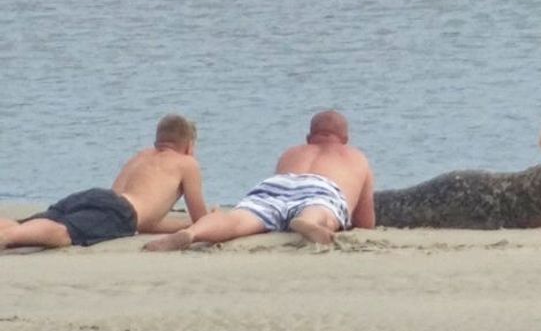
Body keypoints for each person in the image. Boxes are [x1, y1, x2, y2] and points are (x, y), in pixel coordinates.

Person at [144, 110, 375, 251]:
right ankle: (309, 222)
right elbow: (365, 221)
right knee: (318, 208)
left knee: (238, 219)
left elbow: (285, 196)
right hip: (321, 188)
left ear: (308, 137)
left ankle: (192, 233)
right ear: (345, 139)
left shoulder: (292, 152)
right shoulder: (355, 156)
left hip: (277, 185)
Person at [0, 114, 210, 250]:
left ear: (158, 141)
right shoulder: (187, 163)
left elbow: (142, 219)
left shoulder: (140, 156)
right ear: (190, 146)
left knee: (32, 221)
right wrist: (211, 218)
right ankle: (7, 237)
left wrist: (182, 224)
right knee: (64, 233)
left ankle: (9, 229)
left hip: (100, 197)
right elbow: (201, 219)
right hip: (121, 210)